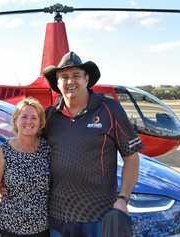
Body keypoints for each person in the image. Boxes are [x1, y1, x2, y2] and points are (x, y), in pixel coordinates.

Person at [42, 51, 141, 237]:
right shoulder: (50, 116)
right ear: (57, 82)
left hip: (99, 217)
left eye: (76, 76)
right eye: (64, 77)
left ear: (87, 79)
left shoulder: (109, 109)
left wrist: (123, 198)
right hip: (57, 217)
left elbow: (132, 157)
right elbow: (30, 151)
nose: (70, 81)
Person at [0, 97, 51, 237]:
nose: (29, 121)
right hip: (8, 229)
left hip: (42, 230)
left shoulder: (48, 149)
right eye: (24, 117)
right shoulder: (3, 151)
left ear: (40, 123)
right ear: (15, 120)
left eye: (34, 117)